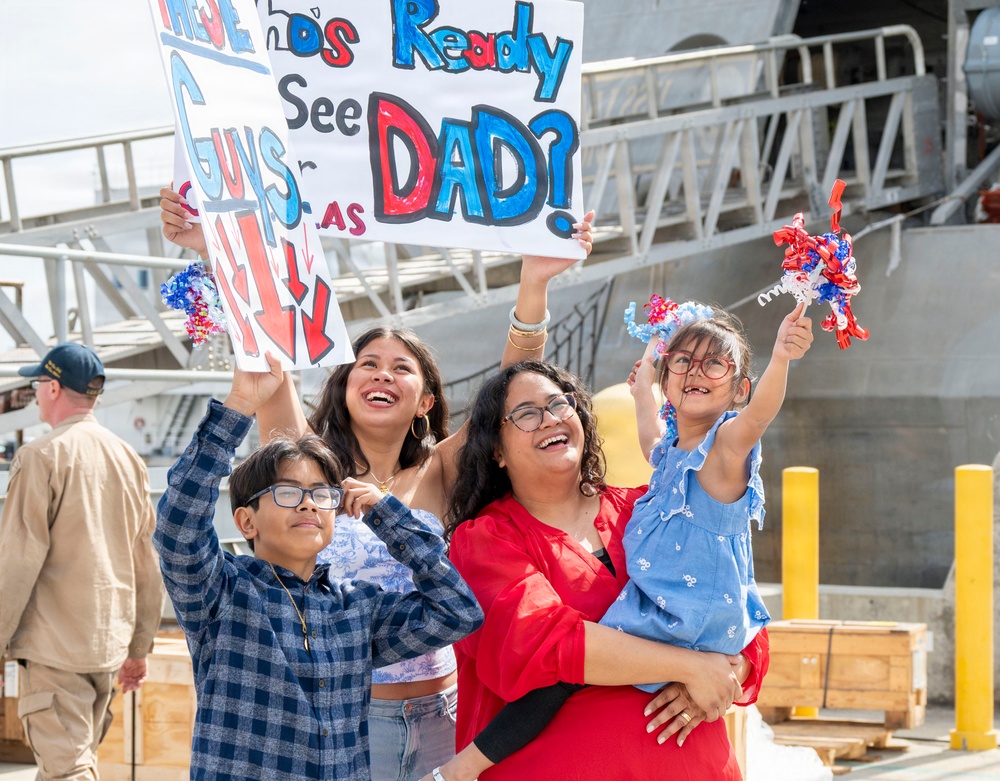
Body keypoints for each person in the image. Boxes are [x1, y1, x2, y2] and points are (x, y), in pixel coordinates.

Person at [158, 185, 594, 780]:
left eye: (402, 367)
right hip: (350, 719)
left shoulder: (443, 468)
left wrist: (535, 284)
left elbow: (514, 380)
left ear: (426, 401)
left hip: (443, 712)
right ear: (343, 385)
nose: (382, 373)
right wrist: (215, 250)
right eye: (368, 363)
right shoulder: (305, 465)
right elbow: (264, 358)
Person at [424, 300, 812, 780]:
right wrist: (692, 667)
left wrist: (731, 671)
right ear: (496, 450)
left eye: (559, 404)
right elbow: (547, 644)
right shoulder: (486, 538)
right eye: (526, 414)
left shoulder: (647, 506)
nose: (549, 419)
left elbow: (732, 602)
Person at [153, 360, 484, 780]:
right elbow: (178, 524)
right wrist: (238, 405)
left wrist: (385, 513)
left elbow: (458, 612)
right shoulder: (222, 593)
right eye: (289, 493)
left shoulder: (356, 608)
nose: (309, 503)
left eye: (322, 494)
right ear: (246, 522)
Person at [0, 342, 164, 780]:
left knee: (67, 771)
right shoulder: (128, 458)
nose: (35, 392)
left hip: (55, 650)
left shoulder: (40, 457)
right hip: (106, 649)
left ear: (52, 388)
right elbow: (147, 562)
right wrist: (139, 647)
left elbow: (16, 561)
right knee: (69, 764)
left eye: (37, 383)